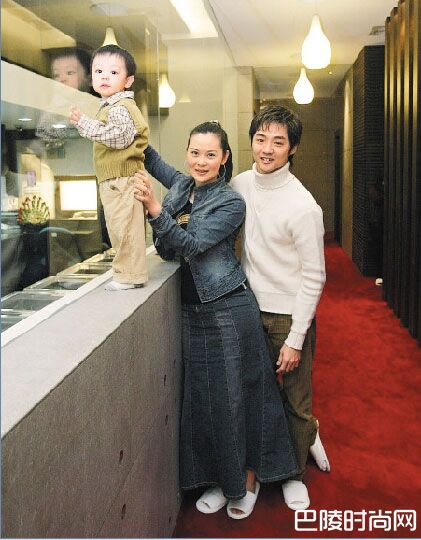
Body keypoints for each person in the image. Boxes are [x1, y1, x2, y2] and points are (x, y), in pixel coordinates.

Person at [133, 121, 297, 519]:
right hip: (195, 310)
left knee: (236, 399)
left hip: (228, 309)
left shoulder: (230, 203)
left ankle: (247, 479)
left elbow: (190, 245)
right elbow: (152, 158)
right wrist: (125, 124)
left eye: (210, 154)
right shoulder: (181, 185)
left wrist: (154, 209)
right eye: (195, 152)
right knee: (206, 401)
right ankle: (221, 479)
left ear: (224, 159)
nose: (201, 161)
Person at [230, 105, 328, 511]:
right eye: (260, 139)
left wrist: (295, 338)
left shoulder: (303, 206)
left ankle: (293, 474)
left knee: (294, 402)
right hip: (247, 309)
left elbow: (314, 276)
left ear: (293, 149)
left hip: (288, 315)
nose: (267, 149)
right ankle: (253, 474)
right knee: (251, 397)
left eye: (278, 142)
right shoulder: (239, 185)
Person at [69, 44, 148, 290]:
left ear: (128, 80)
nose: (104, 76)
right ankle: (128, 275)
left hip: (122, 180)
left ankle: (129, 277)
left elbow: (119, 137)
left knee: (124, 230)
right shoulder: (111, 106)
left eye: (113, 72)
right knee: (121, 229)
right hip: (118, 179)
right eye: (98, 71)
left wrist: (85, 124)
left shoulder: (120, 107)